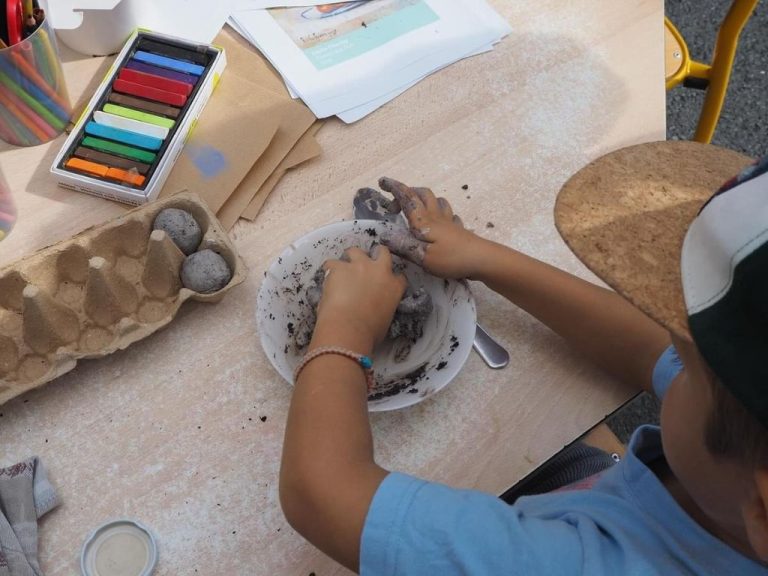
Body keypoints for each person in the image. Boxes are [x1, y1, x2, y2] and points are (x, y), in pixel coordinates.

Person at [279, 140, 768, 575]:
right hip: (611, 490)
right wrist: (483, 257)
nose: (673, 362)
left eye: (690, 371)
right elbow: (648, 347)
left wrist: (347, 328)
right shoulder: (733, 469)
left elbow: (319, 494)